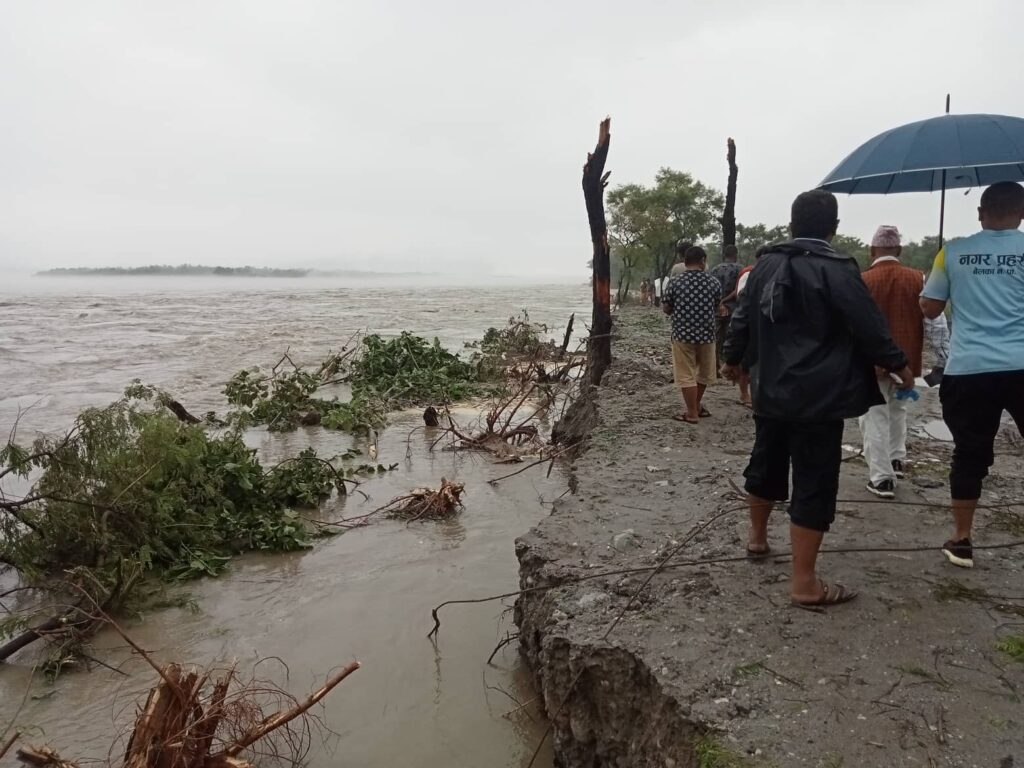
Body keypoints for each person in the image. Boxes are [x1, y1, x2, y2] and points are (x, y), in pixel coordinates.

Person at [722, 190, 913, 607]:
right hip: (821, 396)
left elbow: (742, 317)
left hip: (770, 389)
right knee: (813, 480)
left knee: (765, 460)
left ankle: (757, 540)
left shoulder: (765, 265)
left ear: (791, 225)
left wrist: (732, 359)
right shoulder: (839, 270)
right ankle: (804, 583)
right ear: (834, 227)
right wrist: (899, 364)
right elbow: (868, 327)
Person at [920, 181, 1024, 569]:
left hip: (970, 369)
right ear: (1022, 212)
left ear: (981, 212)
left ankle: (962, 539)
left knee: (968, 454)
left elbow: (930, 309)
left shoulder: (954, 251)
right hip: (1021, 363)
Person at [859, 225, 949, 499]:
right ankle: (896, 460)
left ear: (872, 251)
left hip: (871, 363)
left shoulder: (862, 280)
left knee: (874, 416)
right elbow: (936, 325)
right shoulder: (917, 278)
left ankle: (882, 478)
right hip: (907, 362)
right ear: (899, 250)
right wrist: (944, 359)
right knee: (898, 412)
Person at [662, 246, 721, 424]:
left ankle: (692, 413)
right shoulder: (713, 283)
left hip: (682, 335)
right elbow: (717, 306)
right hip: (707, 335)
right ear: (702, 261)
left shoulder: (675, 282)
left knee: (686, 374)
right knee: (703, 374)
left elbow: (666, 308)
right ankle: (695, 407)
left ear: (685, 262)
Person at [732, 245, 770, 408]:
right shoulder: (749, 274)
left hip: (766, 323)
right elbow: (741, 297)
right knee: (747, 361)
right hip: (751, 322)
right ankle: (744, 394)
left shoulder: (771, 274)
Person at [710, 245, 742, 370]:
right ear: (735, 254)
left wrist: (719, 302)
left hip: (716, 307)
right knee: (732, 337)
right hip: (733, 307)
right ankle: (729, 365)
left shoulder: (715, 269)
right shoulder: (740, 269)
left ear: (724, 255)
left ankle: (714, 365)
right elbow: (739, 290)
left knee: (716, 337)